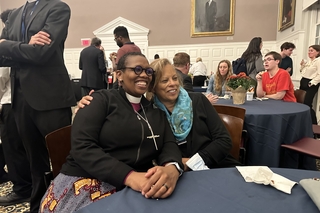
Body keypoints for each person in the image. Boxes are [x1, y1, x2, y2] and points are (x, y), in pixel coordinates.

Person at [39, 52, 183, 213]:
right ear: (119, 75)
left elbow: (169, 145)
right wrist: (130, 177)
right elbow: (83, 147)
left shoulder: (155, 111)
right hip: (85, 180)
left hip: (137, 186)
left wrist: (172, 168)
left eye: (148, 71)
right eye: (137, 69)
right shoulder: (100, 101)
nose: (144, 74)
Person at [0, 1, 76, 212]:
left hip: (51, 97)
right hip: (20, 99)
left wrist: (7, 43)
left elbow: (41, 54)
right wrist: (26, 44)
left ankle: (66, 205)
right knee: (35, 163)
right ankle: (39, 207)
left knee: (63, 160)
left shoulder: (58, 8)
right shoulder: (14, 15)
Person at [149, 58, 241, 170]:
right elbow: (152, 153)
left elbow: (224, 140)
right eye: (164, 81)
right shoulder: (150, 113)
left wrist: (192, 162)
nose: (172, 84)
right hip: (175, 173)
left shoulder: (199, 101)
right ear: (152, 88)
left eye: (174, 78)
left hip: (215, 166)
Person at [0, 8, 32, 207]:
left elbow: (1, 78)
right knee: (27, 148)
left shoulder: (6, 44)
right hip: (28, 102)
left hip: (9, 103)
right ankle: (32, 185)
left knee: (14, 149)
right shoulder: (27, 42)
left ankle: (22, 189)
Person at [299, 44, 320, 124]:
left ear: (318, 52)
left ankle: (314, 125)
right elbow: (302, 72)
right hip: (303, 81)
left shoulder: (318, 61)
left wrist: (311, 83)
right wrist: (302, 66)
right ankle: (304, 122)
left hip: (310, 84)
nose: (309, 52)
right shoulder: (309, 61)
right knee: (301, 103)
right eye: (309, 50)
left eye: (311, 51)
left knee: (307, 104)